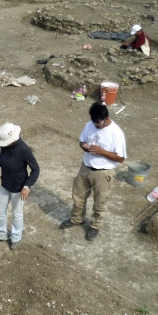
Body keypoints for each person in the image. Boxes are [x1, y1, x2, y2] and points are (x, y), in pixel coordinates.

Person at [59, 102, 127, 240]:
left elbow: (120, 158)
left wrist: (101, 151)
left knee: (100, 201)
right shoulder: (90, 124)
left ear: (106, 118)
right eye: (93, 122)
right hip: (85, 167)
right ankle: (76, 219)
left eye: (98, 123)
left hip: (103, 173)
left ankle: (95, 226)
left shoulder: (116, 133)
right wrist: (84, 147)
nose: (95, 125)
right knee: (78, 196)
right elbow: (81, 141)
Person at [0, 123, 40, 250]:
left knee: (17, 214)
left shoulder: (24, 150)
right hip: (5, 185)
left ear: (12, 139)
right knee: (0, 210)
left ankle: (16, 238)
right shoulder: (5, 147)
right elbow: (0, 160)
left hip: (19, 188)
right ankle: (0, 234)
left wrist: (27, 186)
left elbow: (36, 169)